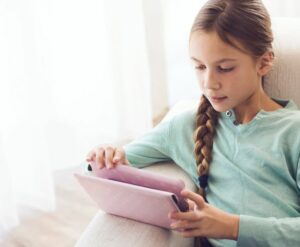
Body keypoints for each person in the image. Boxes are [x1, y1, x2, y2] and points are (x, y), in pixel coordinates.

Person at [85, 0, 300, 246]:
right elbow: (96, 171)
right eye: (199, 66)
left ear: (263, 62)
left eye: (225, 68)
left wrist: (233, 226)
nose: (209, 82)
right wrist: (104, 158)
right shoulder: (186, 127)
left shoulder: (294, 131)